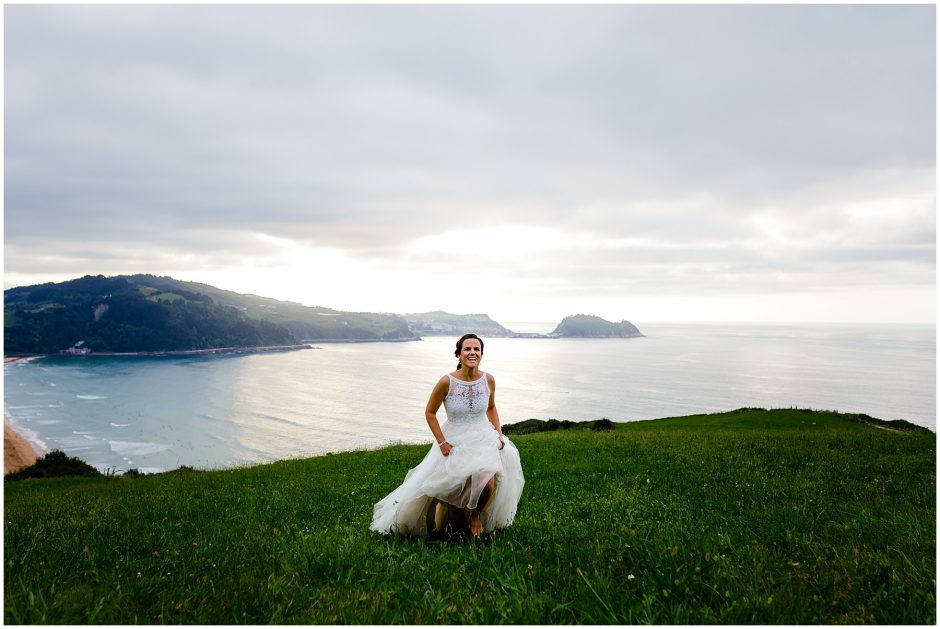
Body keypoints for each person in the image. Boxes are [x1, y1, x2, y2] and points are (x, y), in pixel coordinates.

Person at [371, 333, 524, 538]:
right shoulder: (447, 381)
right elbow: (430, 412)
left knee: (486, 482)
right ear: (459, 355)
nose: (472, 353)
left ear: (481, 354)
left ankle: (476, 516)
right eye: (467, 349)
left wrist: (499, 433)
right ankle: (451, 528)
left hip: (482, 436)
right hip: (454, 438)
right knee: (454, 491)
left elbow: (492, 407)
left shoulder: (488, 380)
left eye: (476, 349)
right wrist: (442, 442)